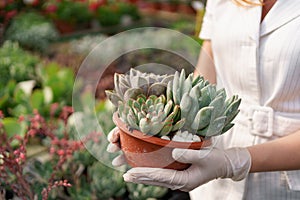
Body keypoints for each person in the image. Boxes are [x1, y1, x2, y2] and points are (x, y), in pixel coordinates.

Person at [107, 0, 300, 199]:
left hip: (284, 178)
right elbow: (204, 83)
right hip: (211, 168)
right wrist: (151, 130)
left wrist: (232, 162)